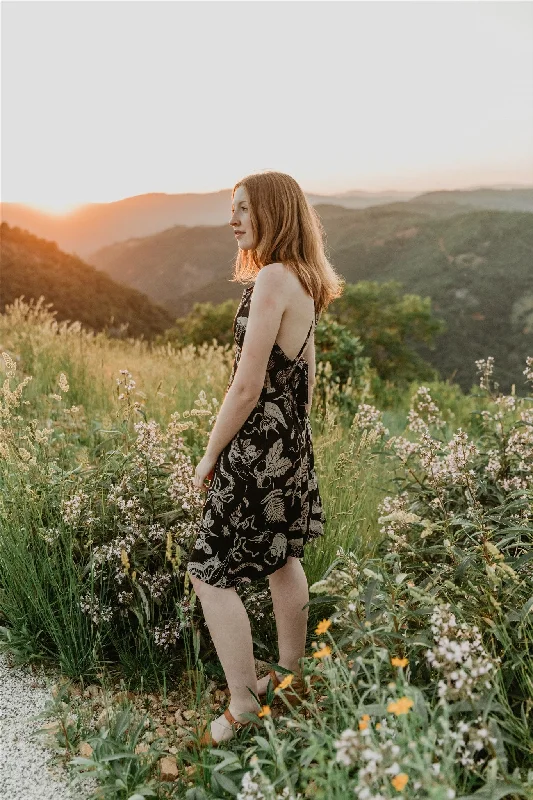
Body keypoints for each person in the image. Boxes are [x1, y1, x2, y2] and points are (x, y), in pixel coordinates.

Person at [186, 170, 344, 745]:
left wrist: (209, 457)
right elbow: (305, 374)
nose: (233, 219)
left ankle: (243, 702)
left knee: (209, 571)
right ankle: (292, 676)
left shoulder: (273, 278)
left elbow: (247, 386)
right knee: (282, 559)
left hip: (255, 446)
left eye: (243, 209)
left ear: (273, 213)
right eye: (233, 208)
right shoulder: (306, 278)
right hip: (289, 441)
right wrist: (296, 443)